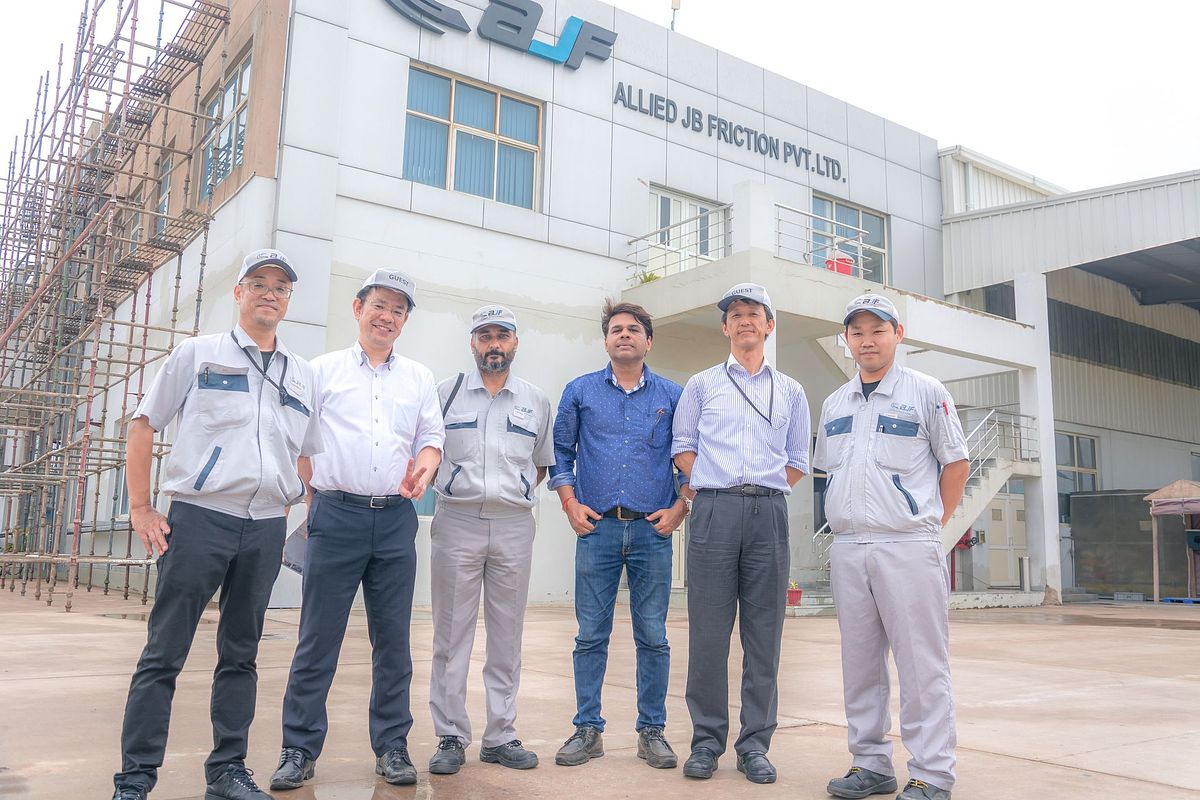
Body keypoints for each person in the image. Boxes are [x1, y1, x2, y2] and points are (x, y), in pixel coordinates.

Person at [112, 249, 323, 800]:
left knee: (241, 654)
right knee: (164, 653)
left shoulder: (301, 375)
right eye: (258, 283)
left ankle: (227, 771)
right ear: (238, 292)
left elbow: (306, 452)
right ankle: (135, 779)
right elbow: (142, 425)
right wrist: (141, 507)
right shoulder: (199, 355)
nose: (269, 293)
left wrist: (289, 498)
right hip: (201, 519)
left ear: (288, 299)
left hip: (262, 530)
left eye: (280, 286)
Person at [269, 269, 443, 790]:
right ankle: (298, 749)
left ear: (405, 320)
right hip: (335, 514)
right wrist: (308, 495)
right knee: (317, 639)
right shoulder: (319, 371)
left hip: (394, 519)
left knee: (393, 642)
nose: (387, 316)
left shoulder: (419, 378)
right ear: (357, 308)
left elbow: (431, 438)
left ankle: (392, 746)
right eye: (379, 305)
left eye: (398, 310)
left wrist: (426, 467)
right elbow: (298, 442)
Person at [816, 293, 969, 800]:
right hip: (849, 547)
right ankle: (871, 764)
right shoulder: (836, 402)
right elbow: (828, 471)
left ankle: (932, 772)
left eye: (877, 331)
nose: (867, 341)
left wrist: (931, 524)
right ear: (847, 340)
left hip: (906, 545)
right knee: (859, 663)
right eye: (857, 332)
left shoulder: (927, 392)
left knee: (921, 663)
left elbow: (955, 464)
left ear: (897, 335)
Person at [671, 282, 810, 785]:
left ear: (769, 325)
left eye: (755, 313)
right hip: (713, 512)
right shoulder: (702, 385)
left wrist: (762, 488)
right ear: (725, 326)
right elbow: (683, 446)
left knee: (764, 635)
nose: (745, 320)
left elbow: (798, 460)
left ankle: (755, 744)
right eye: (736, 314)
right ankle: (706, 742)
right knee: (708, 633)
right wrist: (714, 488)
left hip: (768, 514)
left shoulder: (791, 390)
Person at [549, 300, 687, 771]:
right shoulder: (581, 391)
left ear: (649, 340)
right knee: (590, 635)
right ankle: (588, 729)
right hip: (597, 528)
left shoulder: (673, 394)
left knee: (653, 635)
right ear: (606, 340)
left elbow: (689, 456)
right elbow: (560, 454)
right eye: (615, 330)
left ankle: (652, 732)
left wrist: (680, 507)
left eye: (633, 330)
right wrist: (570, 503)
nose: (623, 335)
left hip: (653, 530)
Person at [426, 305, 556, 775]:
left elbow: (541, 462)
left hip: (514, 527)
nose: (493, 344)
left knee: (507, 637)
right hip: (457, 521)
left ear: (516, 342)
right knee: (451, 635)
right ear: (472, 342)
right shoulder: (446, 394)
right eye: (484, 335)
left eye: (502, 335)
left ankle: (501, 735)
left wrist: (512, 493)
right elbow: (427, 451)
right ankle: (450, 736)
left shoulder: (535, 400)